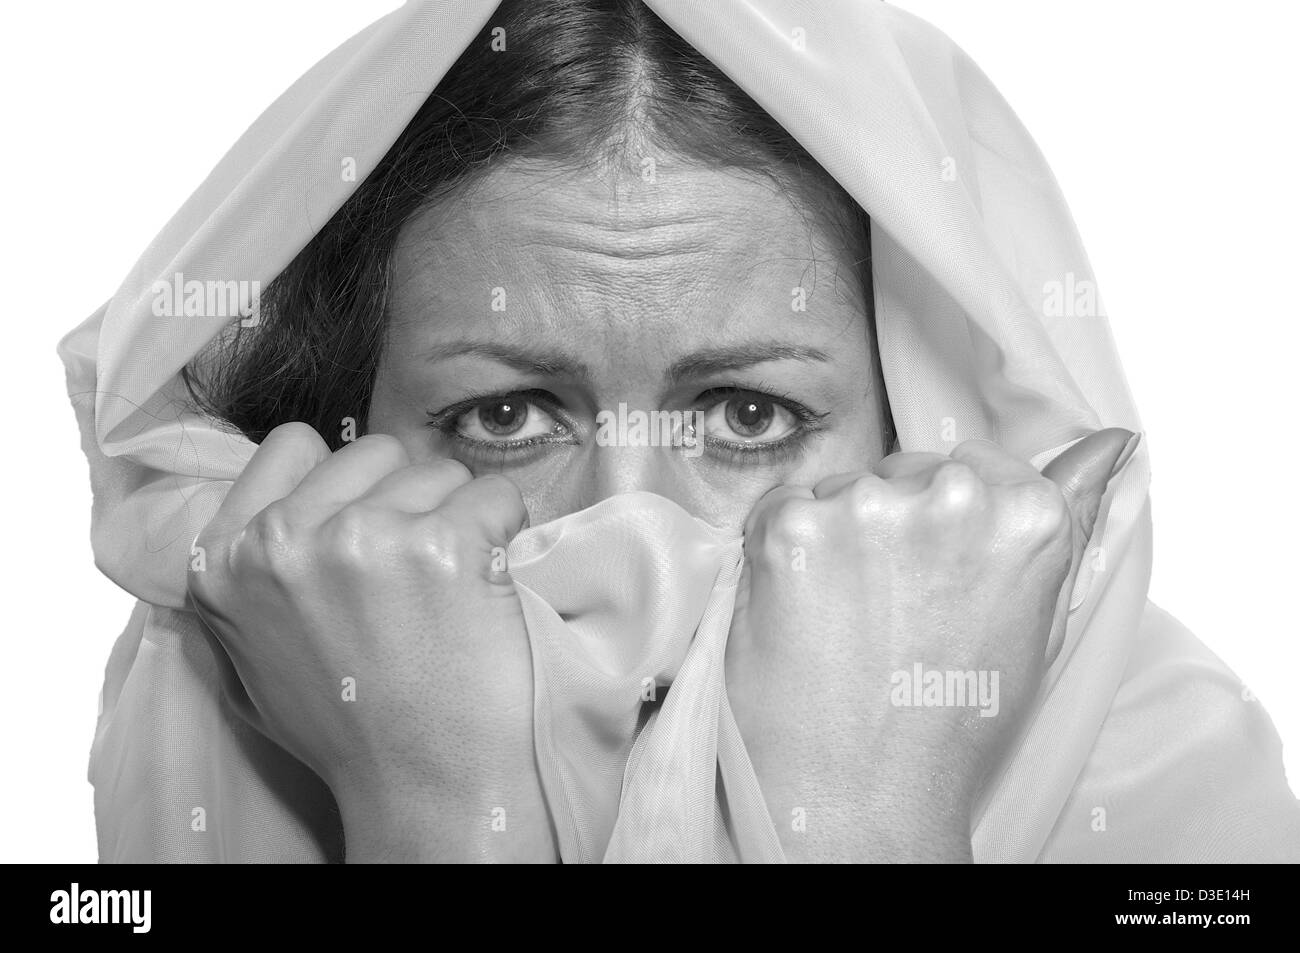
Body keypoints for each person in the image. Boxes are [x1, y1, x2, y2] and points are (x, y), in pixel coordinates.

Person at [60, 0, 1300, 862]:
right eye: (505, 415)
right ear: (342, 418)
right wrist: (434, 798)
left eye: (748, 415)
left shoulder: (1156, 751)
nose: (626, 527)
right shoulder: (213, 693)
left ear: (919, 427)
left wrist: (862, 815)